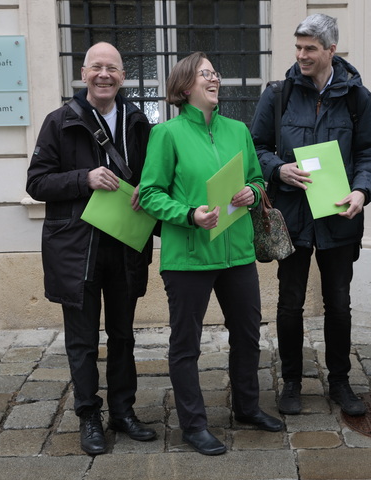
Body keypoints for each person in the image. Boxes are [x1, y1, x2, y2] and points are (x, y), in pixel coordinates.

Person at [139, 52, 283, 456]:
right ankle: (194, 425)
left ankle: (248, 407)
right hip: (188, 258)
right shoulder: (166, 135)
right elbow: (150, 193)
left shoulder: (238, 130)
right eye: (205, 74)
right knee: (186, 344)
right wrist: (189, 214)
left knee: (248, 335)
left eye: (215, 72)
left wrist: (252, 193)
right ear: (185, 88)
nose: (214, 78)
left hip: (236, 252)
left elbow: (257, 179)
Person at [26, 42, 157, 455]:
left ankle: (123, 411)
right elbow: (36, 183)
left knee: (122, 336)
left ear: (122, 76)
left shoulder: (138, 122)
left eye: (113, 68)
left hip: (124, 245)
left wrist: (146, 194)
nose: (105, 75)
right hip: (76, 248)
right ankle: (88, 417)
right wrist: (83, 178)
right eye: (97, 67)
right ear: (83, 74)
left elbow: (151, 177)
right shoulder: (59, 121)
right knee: (81, 341)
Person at [250, 14, 371, 416]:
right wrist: (278, 168)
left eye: (310, 48)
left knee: (338, 303)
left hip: (339, 217)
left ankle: (340, 381)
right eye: (298, 47)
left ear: (330, 50)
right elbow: (255, 147)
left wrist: (363, 190)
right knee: (289, 303)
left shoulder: (358, 97)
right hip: (292, 217)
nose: (301, 55)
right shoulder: (279, 94)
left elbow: (370, 154)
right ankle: (292, 381)